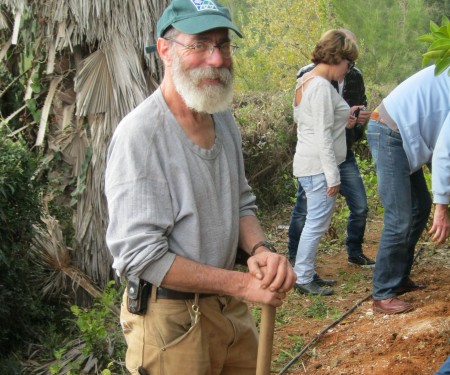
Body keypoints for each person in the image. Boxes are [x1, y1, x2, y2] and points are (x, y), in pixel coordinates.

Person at [104, 1, 296, 374]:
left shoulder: (221, 116)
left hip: (227, 308)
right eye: (200, 45)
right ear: (165, 49)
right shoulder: (140, 136)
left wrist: (259, 249)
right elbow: (141, 255)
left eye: (223, 44)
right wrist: (242, 285)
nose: (216, 58)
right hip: (170, 323)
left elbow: (240, 200)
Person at [288, 29, 375, 269]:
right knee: (314, 222)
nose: (349, 69)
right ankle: (302, 272)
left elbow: (310, 121)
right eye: (348, 63)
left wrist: (346, 122)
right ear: (337, 57)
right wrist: (333, 176)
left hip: (316, 160)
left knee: (316, 221)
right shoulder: (321, 86)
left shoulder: (306, 82)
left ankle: (304, 271)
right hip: (320, 164)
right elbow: (322, 135)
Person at [367, 65, 450, 314]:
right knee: (399, 217)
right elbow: (445, 153)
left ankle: (399, 277)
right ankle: (383, 292)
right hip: (390, 132)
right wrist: (442, 207)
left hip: (404, 134)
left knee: (419, 206)